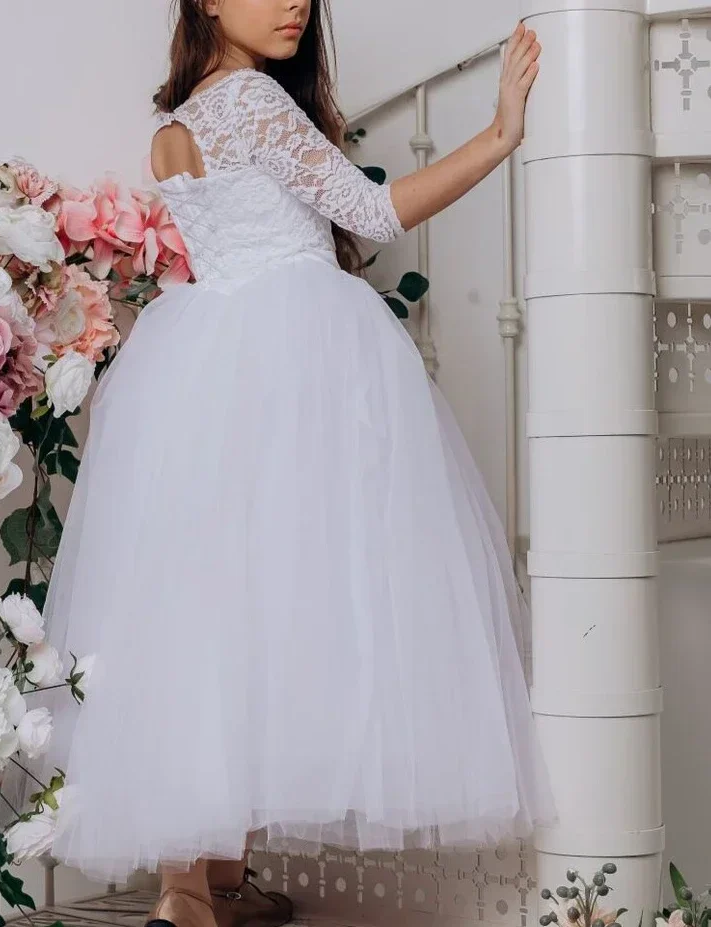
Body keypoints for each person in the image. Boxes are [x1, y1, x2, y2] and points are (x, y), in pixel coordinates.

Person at [39, 3, 556, 927]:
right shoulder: (251, 100)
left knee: (210, 610)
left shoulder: (177, 122)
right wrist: (499, 133)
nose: (295, 4)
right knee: (297, 600)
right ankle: (198, 887)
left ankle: (198, 883)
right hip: (293, 352)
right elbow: (368, 212)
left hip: (201, 360)